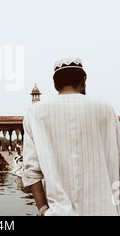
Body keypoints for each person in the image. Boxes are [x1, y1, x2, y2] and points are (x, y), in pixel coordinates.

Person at [22, 58, 120, 216]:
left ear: (55, 85)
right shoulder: (106, 109)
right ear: (84, 81)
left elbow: (31, 170)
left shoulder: (35, 113)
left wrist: (43, 210)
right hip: (104, 211)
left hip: (58, 212)